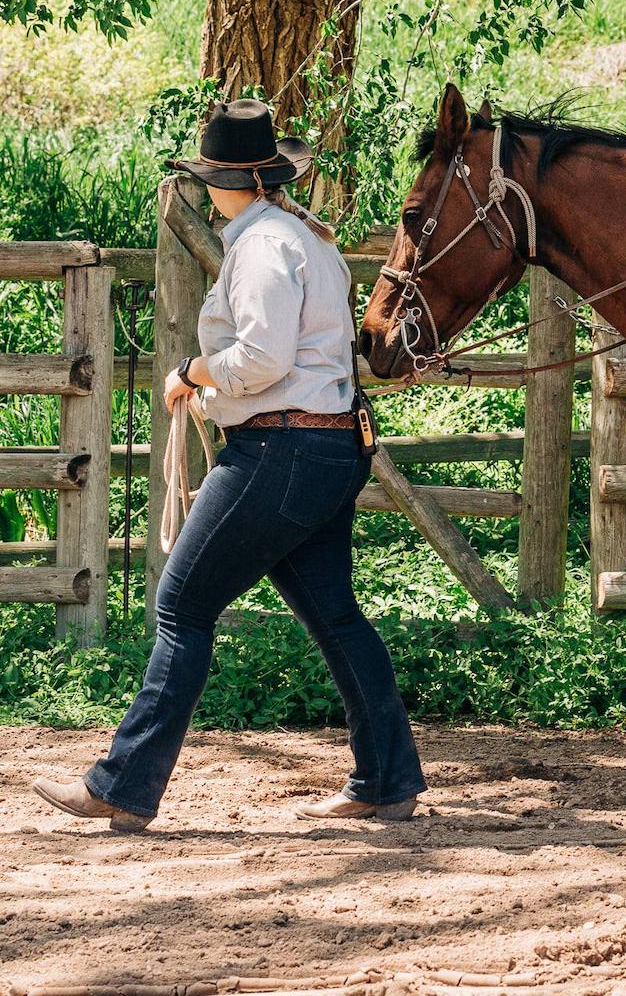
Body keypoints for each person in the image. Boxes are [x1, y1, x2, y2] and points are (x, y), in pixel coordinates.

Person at [31, 99, 425, 831]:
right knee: (336, 615)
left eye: (210, 175)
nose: (206, 187)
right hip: (327, 446)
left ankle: (122, 785)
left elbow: (264, 357)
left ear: (229, 182)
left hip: (279, 450)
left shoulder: (262, 246)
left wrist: (193, 373)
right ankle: (386, 781)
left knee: (181, 607)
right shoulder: (304, 238)